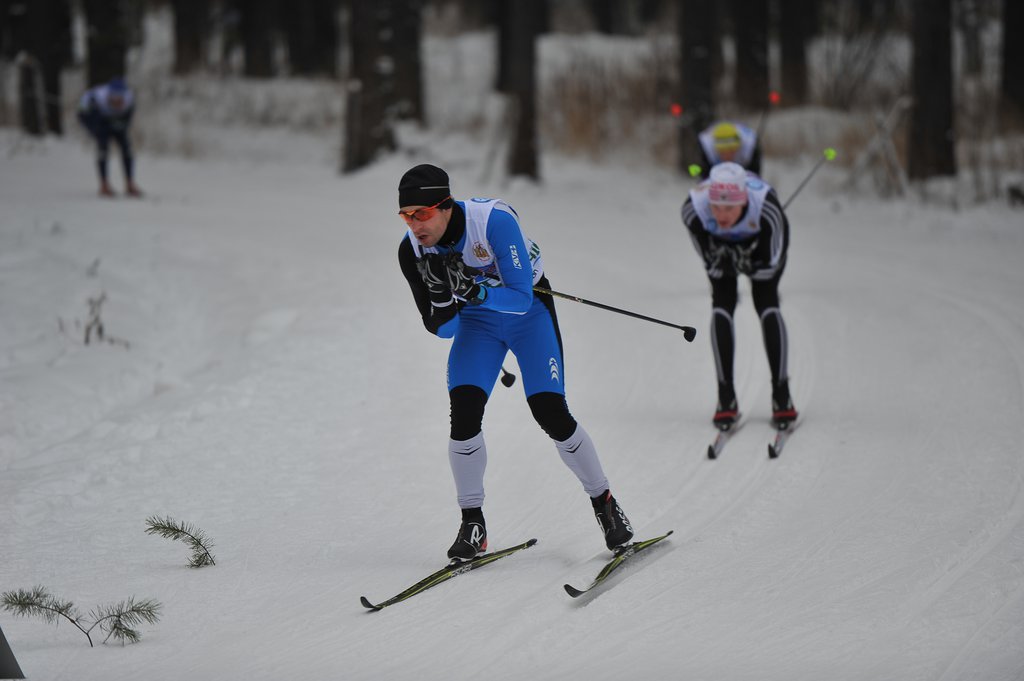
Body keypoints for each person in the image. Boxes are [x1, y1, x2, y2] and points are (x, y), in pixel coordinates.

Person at [397, 163, 634, 562]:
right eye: (406, 215)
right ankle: (473, 522)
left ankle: (605, 503)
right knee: (465, 413)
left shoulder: (492, 221)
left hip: (529, 316)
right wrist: (440, 296)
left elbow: (522, 297)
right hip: (477, 326)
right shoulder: (412, 251)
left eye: (421, 214)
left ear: (446, 206)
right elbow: (444, 331)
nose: (414, 224)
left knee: (549, 410)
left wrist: (473, 290)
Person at [681, 161, 798, 430]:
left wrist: (751, 262)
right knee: (722, 305)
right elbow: (708, 261)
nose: (722, 215)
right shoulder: (694, 209)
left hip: (762, 244)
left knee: (767, 303)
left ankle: (782, 394)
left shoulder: (767, 209)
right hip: (719, 245)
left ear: (743, 202)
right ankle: (726, 396)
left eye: (729, 208)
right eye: (717, 207)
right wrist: (720, 260)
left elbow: (771, 264)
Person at [77, 77, 142, 198]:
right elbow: (84, 116)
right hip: (98, 119)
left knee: (126, 149)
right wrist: (94, 131)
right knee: (103, 148)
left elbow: (128, 118)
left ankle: (129, 183)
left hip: (117, 121)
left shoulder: (129, 99)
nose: (117, 101)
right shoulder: (96, 98)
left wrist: (121, 125)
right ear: (109, 95)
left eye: (120, 98)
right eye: (114, 97)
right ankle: (104, 184)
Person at [696, 121, 761, 179]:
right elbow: (704, 176)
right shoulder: (706, 147)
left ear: (738, 147)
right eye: (723, 152)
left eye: (731, 151)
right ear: (716, 149)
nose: (727, 156)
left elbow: (755, 175)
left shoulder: (750, 146)